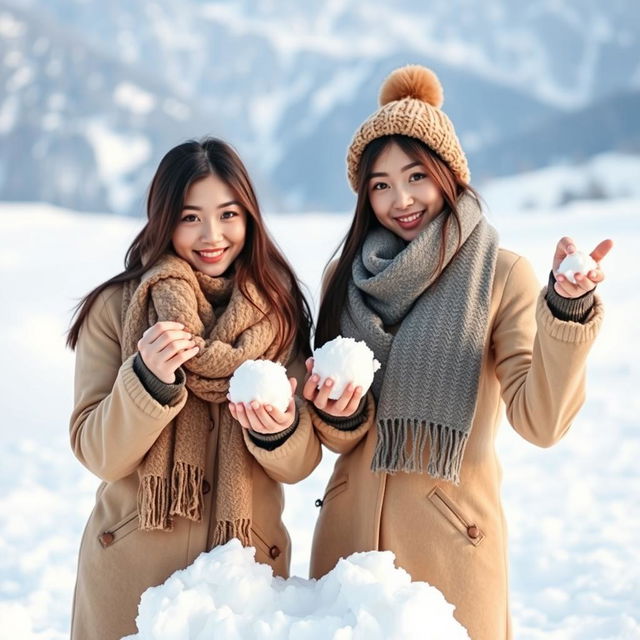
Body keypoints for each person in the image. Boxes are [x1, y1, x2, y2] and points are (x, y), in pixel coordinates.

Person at [303, 65, 612, 640]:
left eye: (417, 175)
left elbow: (540, 421)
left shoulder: (501, 275)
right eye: (381, 184)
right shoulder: (343, 277)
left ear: (449, 174)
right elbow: (337, 435)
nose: (401, 199)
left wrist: (566, 314)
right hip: (348, 560)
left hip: (450, 556)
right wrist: (335, 413)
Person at [66, 138, 320, 640]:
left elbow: (300, 463)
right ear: (163, 219)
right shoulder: (118, 309)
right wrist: (147, 381)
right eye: (190, 217)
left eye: (228, 214)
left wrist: (279, 430)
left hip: (245, 581)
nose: (212, 235)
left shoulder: (278, 313)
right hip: (134, 581)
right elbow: (98, 454)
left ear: (249, 217)